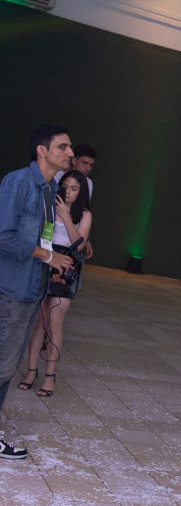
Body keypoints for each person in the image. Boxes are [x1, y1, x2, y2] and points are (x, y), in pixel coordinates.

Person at [0, 125, 75, 459]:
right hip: (11, 287)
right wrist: (46, 255)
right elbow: (3, 235)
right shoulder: (19, 182)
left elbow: (42, 236)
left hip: (32, 288)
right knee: (2, 364)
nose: (70, 153)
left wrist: (52, 260)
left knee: (7, 364)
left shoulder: (50, 189)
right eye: (63, 147)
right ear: (42, 151)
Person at [18, 170, 92, 397]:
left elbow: (79, 244)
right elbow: (42, 238)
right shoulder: (49, 207)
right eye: (65, 186)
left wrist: (66, 216)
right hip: (46, 261)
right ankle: (31, 371)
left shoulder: (84, 214)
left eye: (74, 189)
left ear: (81, 192)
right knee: (38, 320)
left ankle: (50, 375)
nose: (68, 192)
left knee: (54, 321)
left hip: (68, 266)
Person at [54, 144, 95, 259]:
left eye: (91, 165)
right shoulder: (55, 175)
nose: (87, 168)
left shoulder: (88, 183)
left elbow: (83, 207)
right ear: (74, 160)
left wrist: (87, 239)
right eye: (84, 163)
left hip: (72, 242)